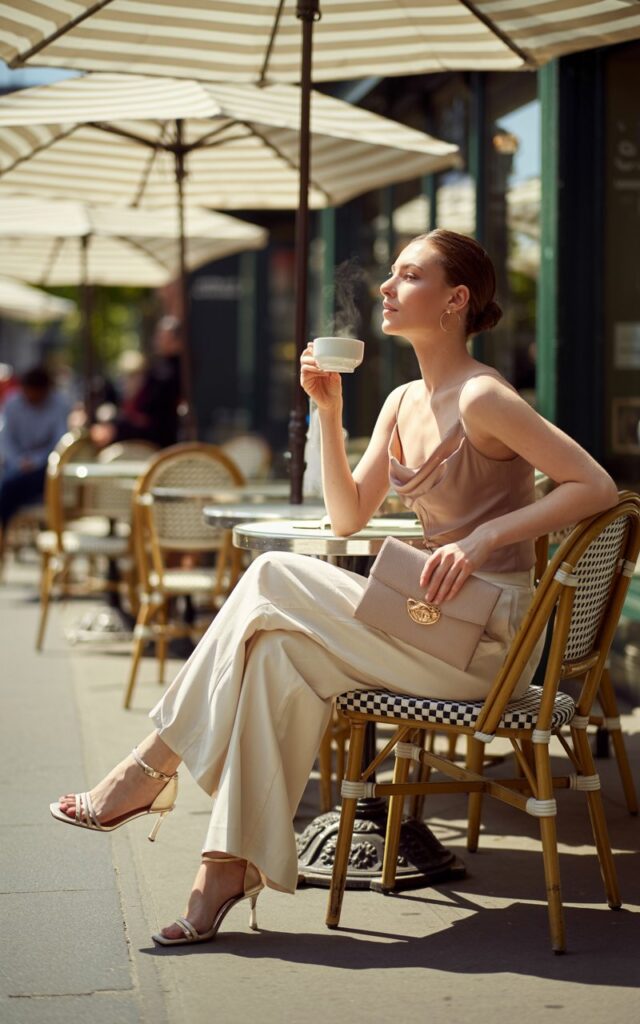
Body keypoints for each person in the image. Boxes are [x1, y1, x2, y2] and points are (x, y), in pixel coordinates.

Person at [50, 230, 618, 947]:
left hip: (486, 644)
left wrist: (485, 538)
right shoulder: (403, 399)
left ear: (456, 300)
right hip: (423, 618)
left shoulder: (482, 397)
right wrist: (328, 411)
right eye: (387, 273)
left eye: (407, 275)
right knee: (275, 657)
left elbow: (594, 485)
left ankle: (146, 769)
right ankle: (224, 870)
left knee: (270, 575)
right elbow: (349, 516)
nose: (385, 286)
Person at [89, 316, 182, 450]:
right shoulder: (163, 367)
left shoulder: (172, 371)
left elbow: (152, 412)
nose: (156, 340)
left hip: (157, 438)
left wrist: (119, 426)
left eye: (161, 336)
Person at [0, 365, 69, 532]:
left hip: (44, 467)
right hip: (16, 466)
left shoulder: (59, 404)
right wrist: (18, 461)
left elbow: (59, 442)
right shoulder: (12, 403)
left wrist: (36, 460)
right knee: (11, 483)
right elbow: (5, 439)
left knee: (9, 487)